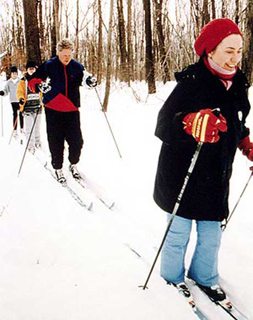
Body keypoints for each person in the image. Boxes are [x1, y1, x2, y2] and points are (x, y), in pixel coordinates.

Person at [153, 18, 253, 303]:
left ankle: (204, 277)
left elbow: (237, 123)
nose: (235, 58)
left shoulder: (238, 85)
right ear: (210, 51)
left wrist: (246, 144)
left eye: (239, 51)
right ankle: (171, 279)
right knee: (178, 232)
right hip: (183, 172)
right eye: (228, 51)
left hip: (216, 174)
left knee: (212, 235)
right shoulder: (191, 83)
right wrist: (189, 122)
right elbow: (163, 124)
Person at [28, 39, 97, 183]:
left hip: (72, 109)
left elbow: (85, 79)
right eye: (64, 54)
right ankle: (58, 168)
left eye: (69, 54)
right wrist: (40, 86)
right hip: (53, 109)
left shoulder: (77, 66)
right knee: (56, 141)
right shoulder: (50, 65)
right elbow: (33, 81)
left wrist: (90, 81)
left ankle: (73, 164)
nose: (67, 57)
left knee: (77, 141)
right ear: (58, 52)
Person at [17, 61, 42, 154]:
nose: (31, 70)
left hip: (38, 107)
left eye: (33, 68)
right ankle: (30, 145)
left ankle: (37, 142)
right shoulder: (23, 81)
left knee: (37, 127)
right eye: (29, 69)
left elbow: (42, 91)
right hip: (27, 108)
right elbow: (20, 92)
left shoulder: (39, 79)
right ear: (27, 70)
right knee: (29, 128)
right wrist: (21, 99)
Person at [0, 66, 24, 138]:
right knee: (14, 114)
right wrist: (2, 92)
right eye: (13, 73)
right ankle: (15, 130)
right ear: (11, 74)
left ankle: (22, 128)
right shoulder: (9, 82)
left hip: (20, 100)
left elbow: (23, 90)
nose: (14, 75)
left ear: (17, 74)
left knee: (21, 114)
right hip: (13, 100)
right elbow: (6, 91)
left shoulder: (20, 81)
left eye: (15, 73)